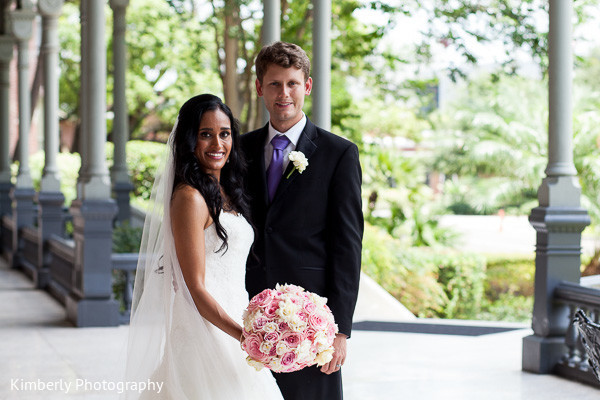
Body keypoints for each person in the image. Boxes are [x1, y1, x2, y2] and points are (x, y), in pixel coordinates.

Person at [123, 94, 283, 400]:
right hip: (206, 330)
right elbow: (195, 288)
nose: (217, 144)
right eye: (205, 134)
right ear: (189, 140)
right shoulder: (189, 198)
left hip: (235, 316)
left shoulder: (224, 190)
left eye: (224, 134)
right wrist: (244, 337)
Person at [241, 41, 364, 400]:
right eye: (275, 84)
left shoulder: (338, 153)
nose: (284, 94)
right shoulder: (240, 151)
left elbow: (347, 245)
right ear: (260, 88)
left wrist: (339, 330)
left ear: (306, 87)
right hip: (247, 311)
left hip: (310, 323)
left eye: (292, 83)